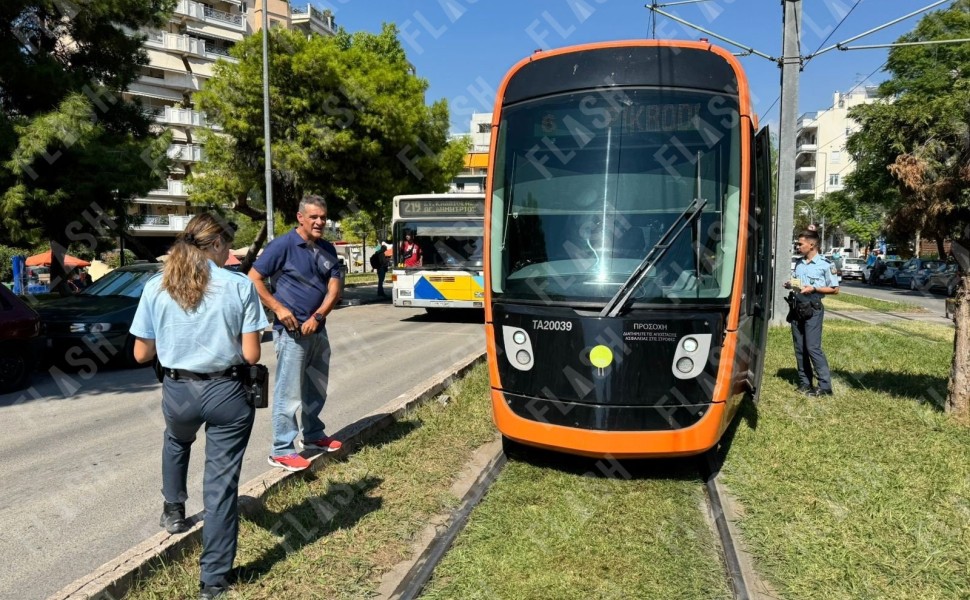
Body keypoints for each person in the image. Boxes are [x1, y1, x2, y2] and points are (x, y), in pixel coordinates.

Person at [129, 213, 268, 600]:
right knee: (221, 486)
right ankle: (213, 581)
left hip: (178, 390)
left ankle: (173, 510)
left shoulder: (156, 285)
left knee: (176, 440)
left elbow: (141, 353)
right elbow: (251, 354)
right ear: (219, 244)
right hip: (226, 392)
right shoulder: (239, 286)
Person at [249, 194, 344, 472]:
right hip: (290, 332)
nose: (319, 222)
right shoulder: (283, 245)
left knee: (315, 387)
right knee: (289, 392)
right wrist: (279, 309)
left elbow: (335, 288)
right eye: (314, 217)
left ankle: (313, 435)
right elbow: (254, 277)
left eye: (323, 217)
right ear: (300, 217)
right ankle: (281, 449)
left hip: (317, 328)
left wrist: (319, 316)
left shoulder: (327, 248)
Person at [784, 229, 839, 397]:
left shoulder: (825, 264)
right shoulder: (799, 263)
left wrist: (814, 288)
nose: (798, 246)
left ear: (812, 244)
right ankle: (805, 383)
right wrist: (790, 284)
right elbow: (798, 282)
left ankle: (825, 386)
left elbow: (835, 289)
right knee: (800, 348)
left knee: (813, 347)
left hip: (813, 309)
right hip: (797, 308)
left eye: (800, 243)